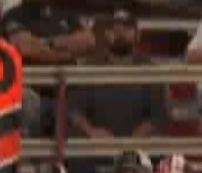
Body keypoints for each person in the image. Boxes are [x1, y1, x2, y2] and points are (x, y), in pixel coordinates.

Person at [70, 12, 165, 141]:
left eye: (126, 28)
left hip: (139, 146)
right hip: (96, 145)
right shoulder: (90, 67)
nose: (120, 33)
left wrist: (139, 136)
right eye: (114, 29)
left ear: (137, 34)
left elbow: (159, 114)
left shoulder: (150, 69)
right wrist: (92, 131)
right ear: (105, 34)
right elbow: (75, 110)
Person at [3, 0, 99, 66]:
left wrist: (48, 43)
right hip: (35, 75)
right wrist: (66, 54)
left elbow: (89, 41)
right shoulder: (13, 14)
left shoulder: (64, 11)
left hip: (69, 75)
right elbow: (26, 48)